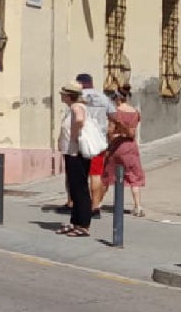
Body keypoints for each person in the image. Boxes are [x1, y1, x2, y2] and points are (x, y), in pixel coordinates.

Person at [102, 85, 146, 217]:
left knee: (107, 173)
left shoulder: (115, 112)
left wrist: (110, 139)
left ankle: (97, 203)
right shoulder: (135, 112)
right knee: (134, 175)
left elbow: (110, 131)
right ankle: (137, 206)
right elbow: (133, 131)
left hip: (117, 145)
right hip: (131, 146)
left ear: (117, 98)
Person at [77, 73, 115, 218]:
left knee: (79, 175)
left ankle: (77, 204)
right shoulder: (103, 97)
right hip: (99, 141)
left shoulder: (78, 98)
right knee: (96, 174)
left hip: (82, 140)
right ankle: (95, 207)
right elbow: (114, 115)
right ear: (91, 82)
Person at [56, 82, 92, 237]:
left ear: (69, 95)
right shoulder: (74, 107)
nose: (61, 96)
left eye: (63, 93)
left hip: (76, 153)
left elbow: (79, 121)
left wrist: (75, 137)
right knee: (74, 188)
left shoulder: (77, 107)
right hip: (72, 153)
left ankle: (83, 224)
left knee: (80, 188)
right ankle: (75, 221)